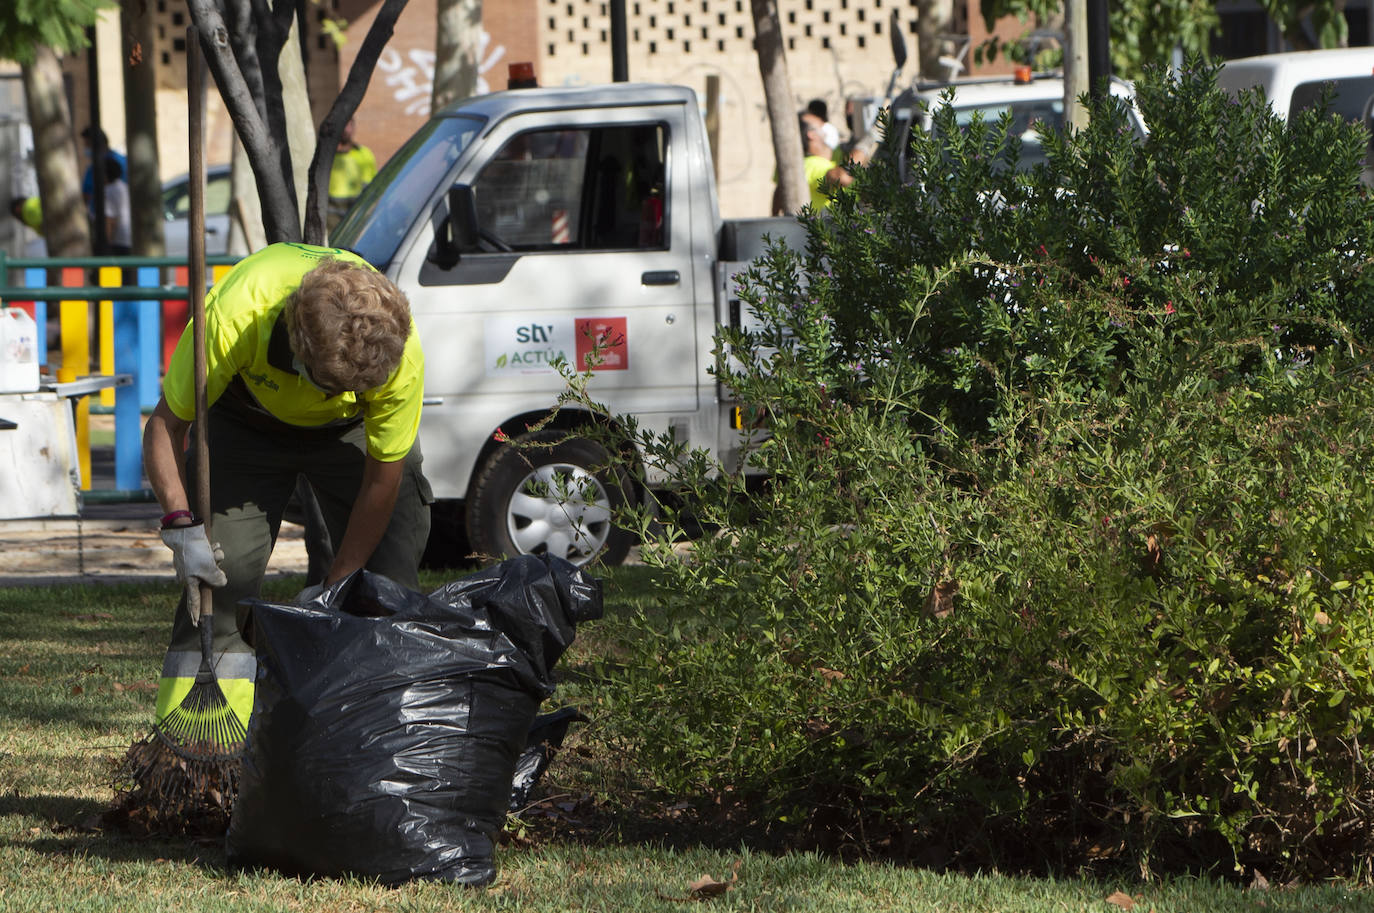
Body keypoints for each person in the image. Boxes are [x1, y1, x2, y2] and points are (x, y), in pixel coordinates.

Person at [144, 241, 433, 729]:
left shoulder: (395, 352)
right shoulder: (236, 314)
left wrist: (338, 583)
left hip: (350, 431)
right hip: (247, 419)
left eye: (352, 387)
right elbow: (165, 427)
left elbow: (382, 481)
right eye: (332, 385)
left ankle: (378, 732)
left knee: (385, 581)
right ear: (298, 343)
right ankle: (197, 746)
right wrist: (180, 525)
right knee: (221, 576)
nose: (337, 394)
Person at [327, 119, 378, 230]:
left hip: (355, 217)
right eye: (343, 124)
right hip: (330, 221)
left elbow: (373, 187)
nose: (346, 129)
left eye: (349, 124)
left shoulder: (364, 153)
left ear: (354, 127)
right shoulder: (325, 156)